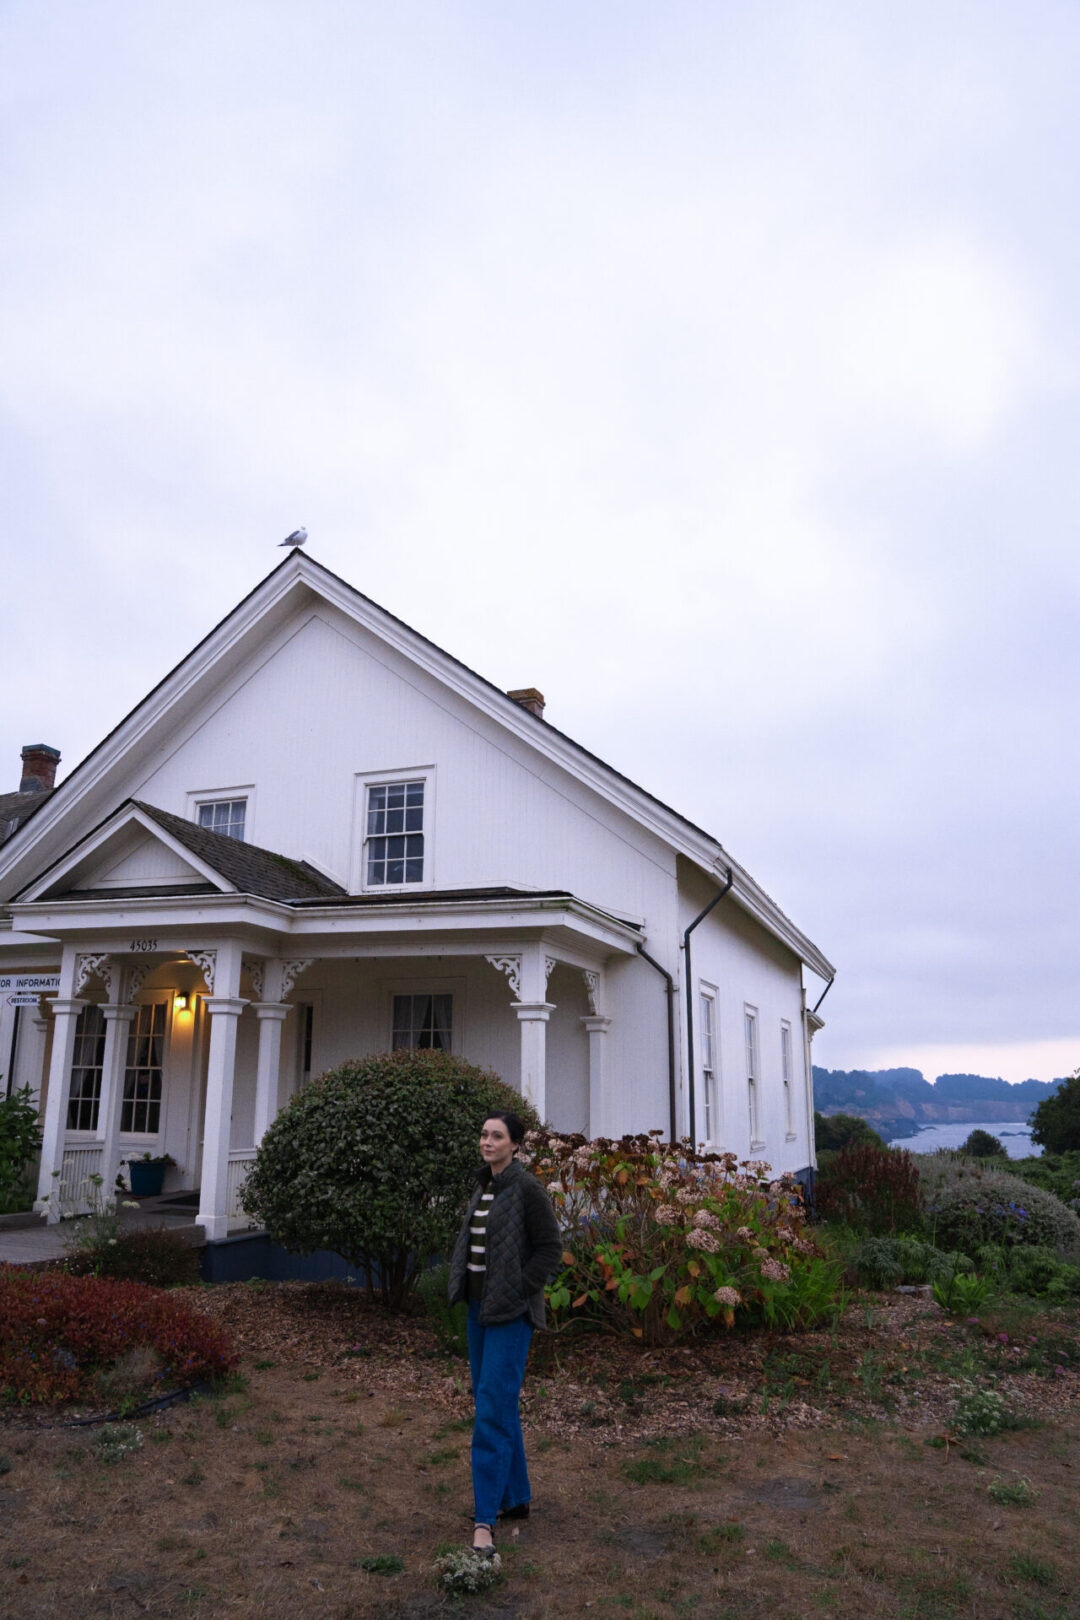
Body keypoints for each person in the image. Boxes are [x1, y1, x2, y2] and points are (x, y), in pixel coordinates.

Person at [448, 1110, 562, 1556]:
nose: (487, 1141)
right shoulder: (483, 1186)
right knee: (494, 1400)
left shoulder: (527, 1189)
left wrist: (521, 1289)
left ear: (515, 1145)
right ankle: (515, 1498)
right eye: (483, 1134)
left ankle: (483, 1520)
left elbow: (551, 1247)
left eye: (497, 1136)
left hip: (510, 1314)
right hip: (479, 1309)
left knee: (491, 1411)